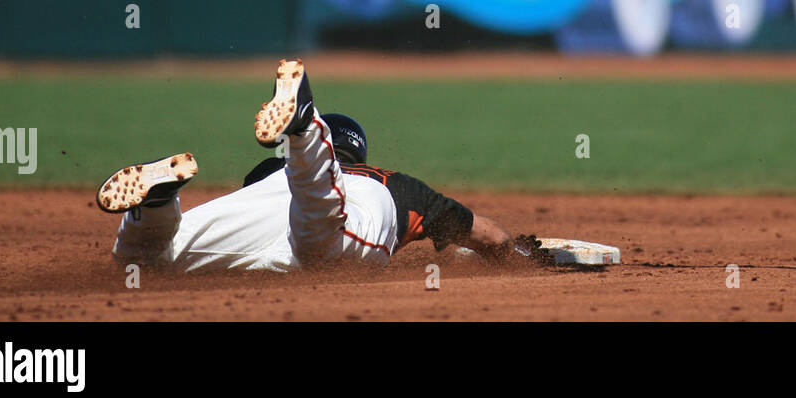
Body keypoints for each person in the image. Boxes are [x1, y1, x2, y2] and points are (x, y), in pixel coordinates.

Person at [96, 59, 546, 272]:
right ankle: (305, 126)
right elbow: (486, 234)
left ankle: (155, 207)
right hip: (327, 229)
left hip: (254, 212)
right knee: (319, 232)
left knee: (148, 264)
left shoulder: (266, 172)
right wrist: (518, 256)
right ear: (360, 156)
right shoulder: (393, 184)